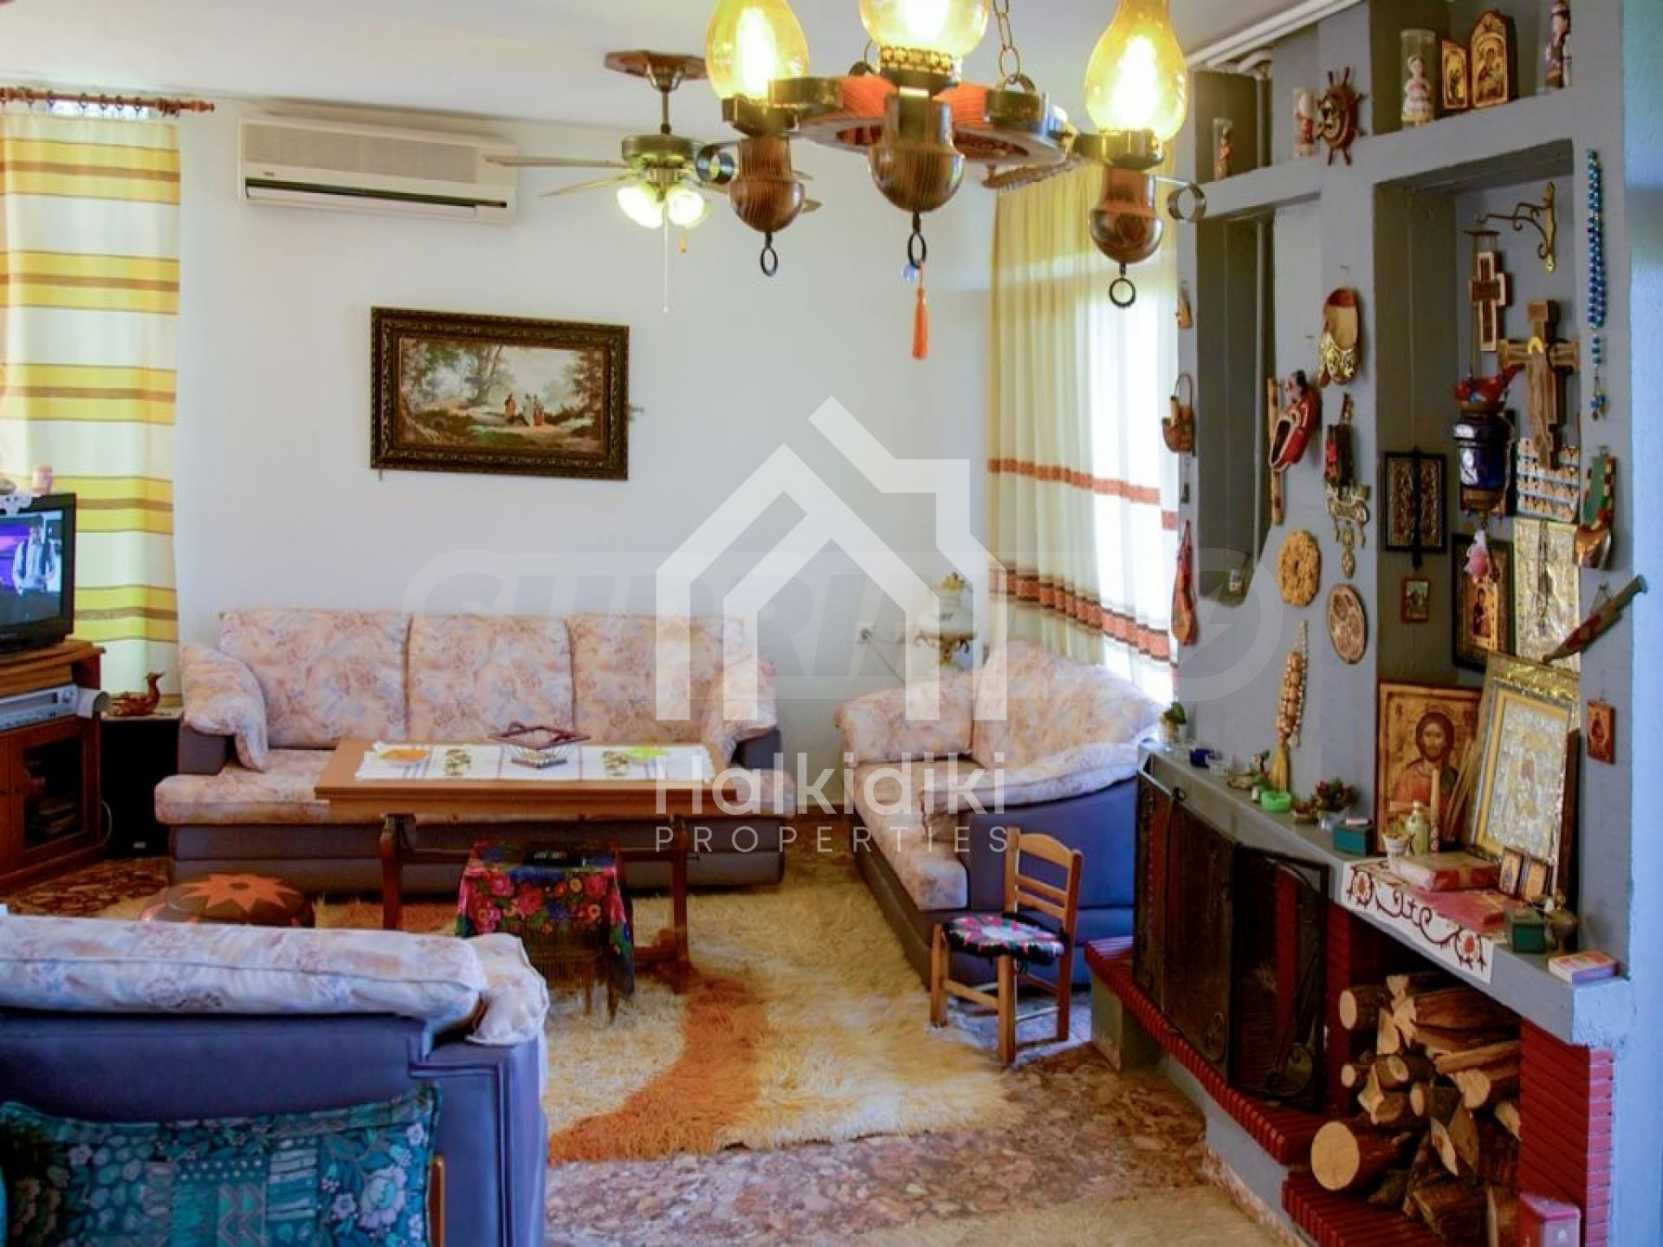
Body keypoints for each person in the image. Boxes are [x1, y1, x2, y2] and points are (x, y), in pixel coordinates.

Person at [1389, 710, 1460, 816]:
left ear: (1446, 741)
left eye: (1438, 736)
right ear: (1421, 739)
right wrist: (1419, 810)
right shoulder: (1408, 777)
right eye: (1427, 735)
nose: (1432, 742)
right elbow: (1394, 810)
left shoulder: (1453, 778)